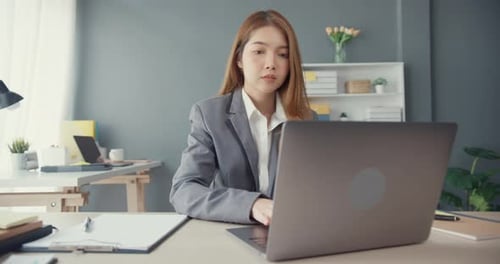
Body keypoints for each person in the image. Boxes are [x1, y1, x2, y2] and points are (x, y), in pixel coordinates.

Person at [170, 9, 314, 226]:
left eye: (282, 54)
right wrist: (252, 205)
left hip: (291, 232)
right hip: (229, 233)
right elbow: (184, 190)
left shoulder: (305, 118)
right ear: (239, 59)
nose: (271, 64)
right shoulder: (209, 115)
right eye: (259, 52)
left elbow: (316, 187)